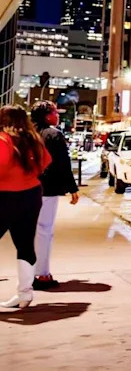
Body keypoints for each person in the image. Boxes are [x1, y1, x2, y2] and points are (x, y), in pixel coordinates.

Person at [0, 105, 52, 309]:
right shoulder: (34, 139)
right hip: (31, 196)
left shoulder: (4, 140)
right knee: (25, 245)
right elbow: (46, 161)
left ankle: (24, 295)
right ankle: (25, 293)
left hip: (5, 197)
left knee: (23, 244)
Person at [30, 101, 79, 290]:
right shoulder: (53, 135)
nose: (57, 116)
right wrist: (72, 188)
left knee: (28, 233)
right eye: (54, 112)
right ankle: (42, 274)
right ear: (46, 116)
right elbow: (63, 164)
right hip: (47, 189)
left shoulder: (27, 134)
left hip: (25, 188)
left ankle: (28, 273)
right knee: (44, 230)